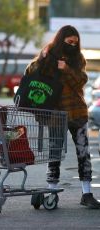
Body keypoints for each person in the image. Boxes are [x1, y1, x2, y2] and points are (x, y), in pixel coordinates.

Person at [25, 25, 100, 209]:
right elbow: (30, 74)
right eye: (69, 41)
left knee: (83, 152)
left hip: (77, 112)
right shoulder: (48, 55)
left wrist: (66, 68)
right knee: (54, 152)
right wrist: (42, 58)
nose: (73, 44)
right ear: (61, 40)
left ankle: (87, 193)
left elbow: (81, 81)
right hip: (55, 114)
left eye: (76, 42)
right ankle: (52, 190)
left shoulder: (78, 59)